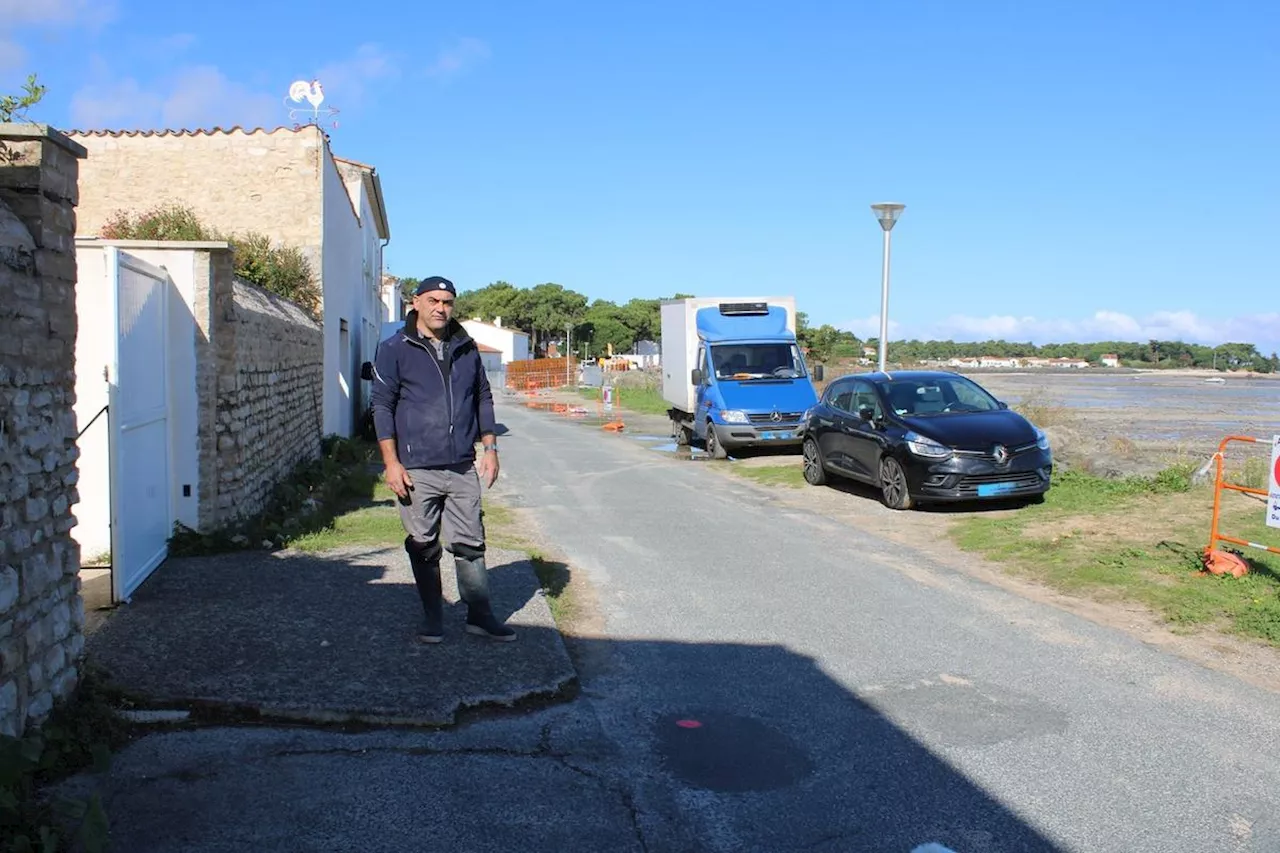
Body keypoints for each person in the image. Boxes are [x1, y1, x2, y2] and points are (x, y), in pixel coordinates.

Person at [370, 275, 515, 643]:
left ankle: (479, 615)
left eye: (447, 302)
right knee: (423, 542)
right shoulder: (394, 348)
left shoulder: (466, 347)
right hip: (416, 466)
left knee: (470, 543)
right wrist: (391, 462)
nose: (441, 308)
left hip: (462, 465)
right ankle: (433, 616)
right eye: (433, 300)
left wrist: (490, 448)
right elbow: (382, 406)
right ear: (416, 303)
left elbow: (483, 397)